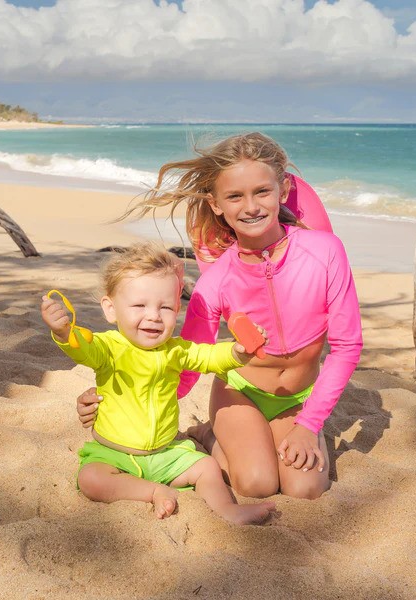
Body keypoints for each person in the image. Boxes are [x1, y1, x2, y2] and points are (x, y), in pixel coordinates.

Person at [77, 132, 363, 500]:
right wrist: (113, 396)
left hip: (299, 397)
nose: (251, 206)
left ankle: (274, 434)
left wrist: (309, 425)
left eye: (262, 191)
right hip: (240, 393)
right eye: (235, 196)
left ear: (283, 188)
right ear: (216, 205)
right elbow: (187, 359)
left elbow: (346, 347)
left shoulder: (325, 252)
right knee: (256, 484)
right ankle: (208, 433)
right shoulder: (215, 282)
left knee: (305, 489)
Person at [42, 242, 275, 523]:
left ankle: (228, 510)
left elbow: (209, 356)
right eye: (139, 305)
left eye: (165, 307)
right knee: (90, 478)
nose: (153, 315)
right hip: (114, 454)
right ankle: (153, 491)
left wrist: (237, 352)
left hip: (165, 453)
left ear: (177, 309)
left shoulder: (176, 350)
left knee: (206, 466)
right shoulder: (109, 347)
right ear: (111, 308)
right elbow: (83, 348)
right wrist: (64, 332)